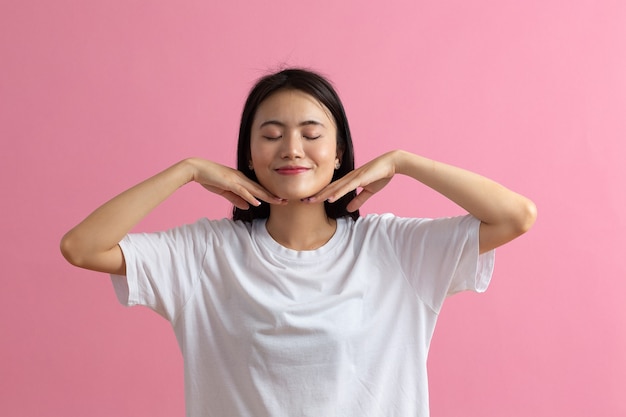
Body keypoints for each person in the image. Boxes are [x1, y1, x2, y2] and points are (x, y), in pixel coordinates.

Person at [61, 68, 536, 417]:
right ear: (249, 154)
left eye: (311, 134)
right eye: (271, 135)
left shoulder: (393, 248)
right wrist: (187, 170)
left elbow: (516, 216)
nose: (291, 149)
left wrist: (403, 161)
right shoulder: (205, 254)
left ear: (339, 153)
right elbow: (82, 247)